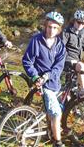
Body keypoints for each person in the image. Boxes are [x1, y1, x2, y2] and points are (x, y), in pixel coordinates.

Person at [22, 11, 66, 147]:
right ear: (45, 26)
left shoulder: (60, 46)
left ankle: (50, 132)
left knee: (51, 109)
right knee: (56, 113)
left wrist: (48, 75)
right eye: (49, 27)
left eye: (55, 28)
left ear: (59, 29)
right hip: (40, 83)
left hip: (54, 82)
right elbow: (27, 61)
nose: (51, 30)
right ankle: (57, 142)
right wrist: (35, 75)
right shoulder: (36, 40)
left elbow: (58, 67)